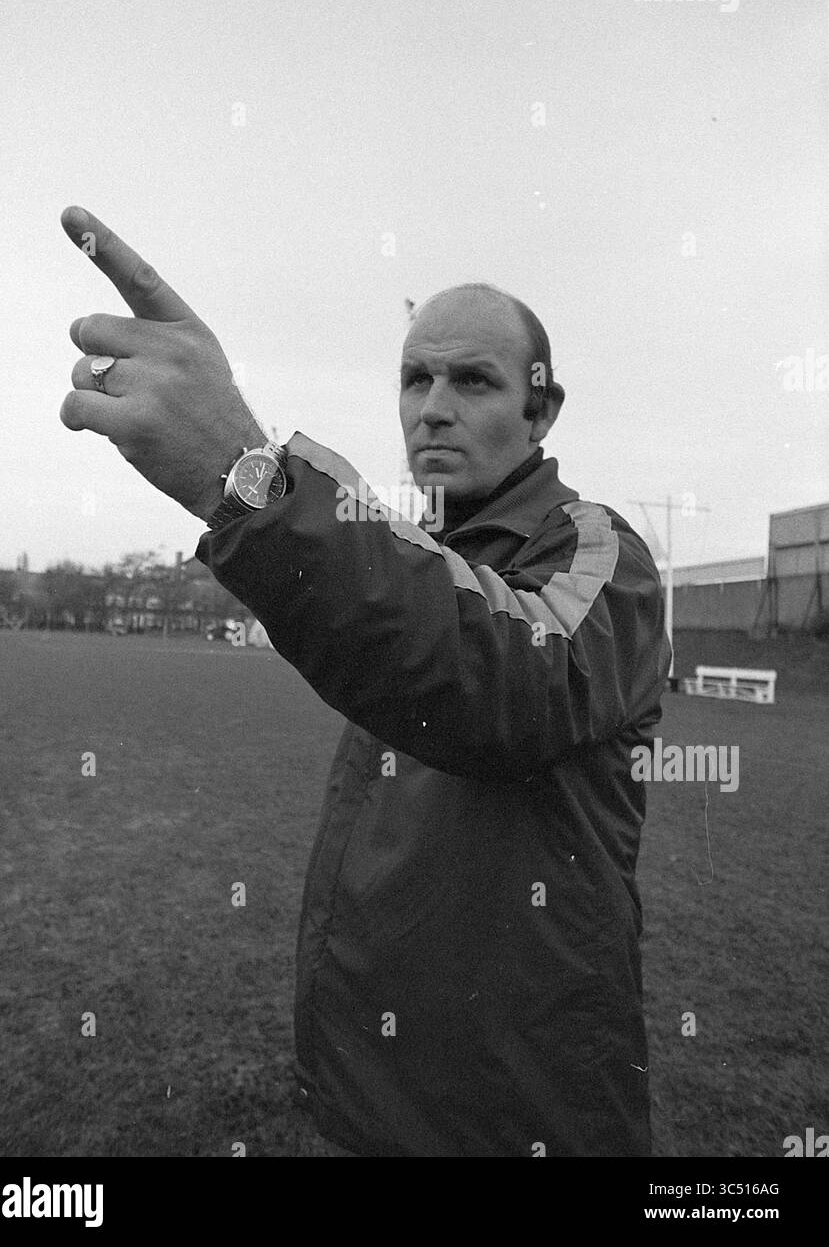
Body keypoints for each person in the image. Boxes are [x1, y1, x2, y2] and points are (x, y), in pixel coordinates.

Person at [60, 207, 670, 1157]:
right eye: (413, 377)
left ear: (543, 411)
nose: (431, 406)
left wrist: (245, 477)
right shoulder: (411, 557)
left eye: (473, 380)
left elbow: (508, 681)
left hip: (524, 1102)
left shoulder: (598, 551)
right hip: (377, 1086)